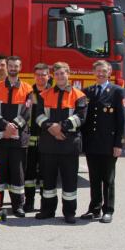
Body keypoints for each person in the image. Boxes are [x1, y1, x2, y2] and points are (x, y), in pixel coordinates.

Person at [34, 62, 87, 224]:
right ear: (53, 76)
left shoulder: (79, 95)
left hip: (69, 145)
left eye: (62, 73)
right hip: (49, 145)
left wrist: (60, 128)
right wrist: (52, 128)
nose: (59, 77)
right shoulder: (44, 94)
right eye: (56, 74)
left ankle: (69, 212)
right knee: (48, 182)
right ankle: (47, 210)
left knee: (69, 181)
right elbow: (38, 116)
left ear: (68, 74)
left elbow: (81, 117)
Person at [80, 60, 125, 224]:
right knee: (94, 178)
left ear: (109, 72)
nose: (100, 74)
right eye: (98, 71)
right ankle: (94, 209)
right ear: (94, 72)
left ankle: (108, 210)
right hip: (92, 143)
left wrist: (118, 144)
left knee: (108, 179)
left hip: (108, 144)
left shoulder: (117, 92)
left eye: (103, 71)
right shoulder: (88, 92)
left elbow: (121, 120)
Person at [0, 55, 32, 217]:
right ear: (7, 67)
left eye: (16, 66)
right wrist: (5, 126)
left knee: (18, 173)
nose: (13, 68)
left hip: (19, 139)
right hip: (0, 138)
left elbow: (27, 113)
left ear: (20, 68)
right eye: (11, 65)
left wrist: (13, 127)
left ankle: (18, 206)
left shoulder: (28, 89)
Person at [24, 63, 52, 212]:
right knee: (29, 174)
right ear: (34, 76)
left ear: (48, 76)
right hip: (31, 139)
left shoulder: (53, 92)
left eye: (44, 74)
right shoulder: (29, 92)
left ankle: (44, 205)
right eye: (38, 75)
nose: (41, 77)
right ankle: (28, 203)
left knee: (45, 173)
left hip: (48, 139)